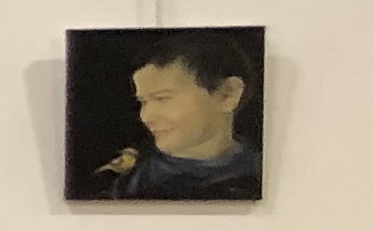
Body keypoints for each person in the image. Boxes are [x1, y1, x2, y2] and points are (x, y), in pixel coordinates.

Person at [88, 34, 261, 199]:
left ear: (227, 95)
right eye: (143, 102)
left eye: (163, 99)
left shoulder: (261, 175)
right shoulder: (123, 184)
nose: (146, 117)